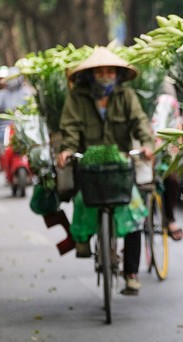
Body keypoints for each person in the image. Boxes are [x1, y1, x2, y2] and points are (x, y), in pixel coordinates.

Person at [56, 47, 154, 296]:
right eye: (100, 71)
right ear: (91, 74)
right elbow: (71, 128)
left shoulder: (126, 96)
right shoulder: (78, 97)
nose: (105, 75)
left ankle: (131, 273)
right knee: (82, 199)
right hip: (88, 163)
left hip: (120, 162)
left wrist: (146, 144)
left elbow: (139, 122)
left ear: (117, 74)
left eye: (110, 71)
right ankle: (83, 238)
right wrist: (68, 150)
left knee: (134, 213)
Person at [149, 78, 183, 241]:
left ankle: (169, 218)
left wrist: (174, 149)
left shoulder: (168, 95)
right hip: (143, 149)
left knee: (172, 180)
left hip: (164, 149)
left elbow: (177, 126)